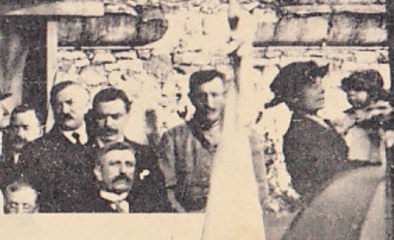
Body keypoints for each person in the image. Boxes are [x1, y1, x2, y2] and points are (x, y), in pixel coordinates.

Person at [156, 68, 268, 212]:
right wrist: (185, 218)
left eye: (215, 95)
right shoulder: (174, 139)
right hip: (189, 221)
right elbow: (166, 190)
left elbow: (259, 185)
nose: (209, 103)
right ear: (191, 98)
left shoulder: (244, 137)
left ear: (224, 97)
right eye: (201, 96)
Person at [267, 61, 349, 203]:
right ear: (294, 96)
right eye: (313, 86)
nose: (322, 90)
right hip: (325, 202)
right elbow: (327, 173)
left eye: (320, 84)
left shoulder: (320, 123)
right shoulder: (299, 134)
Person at [18, 80, 93, 213]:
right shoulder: (35, 151)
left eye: (70, 103)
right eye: (58, 105)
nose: (64, 110)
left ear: (87, 105)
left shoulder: (101, 143)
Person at [86, 87, 166, 210]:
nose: (108, 124)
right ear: (93, 117)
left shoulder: (146, 155)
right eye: (101, 117)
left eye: (115, 117)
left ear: (127, 116)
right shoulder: (78, 156)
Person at [71, 140, 169, 213]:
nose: (123, 171)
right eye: (115, 164)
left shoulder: (151, 207)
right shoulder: (82, 209)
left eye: (129, 164)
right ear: (99, 172)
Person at [339, 68, 394, 165]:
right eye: (348, 92)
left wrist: (368, 117)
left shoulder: (381, 110)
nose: (351, 94)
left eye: (358, 90)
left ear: (373, 92)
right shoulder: (351, 114)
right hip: (353, 159)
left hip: (372, 160)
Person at [5, 105, 44, 170]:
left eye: (26, 127)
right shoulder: (2, 158)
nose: (19, 134)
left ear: (40, 131)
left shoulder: (47, 163)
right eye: (15, 127)